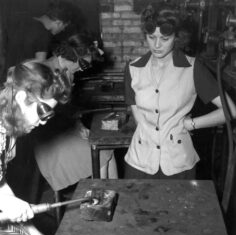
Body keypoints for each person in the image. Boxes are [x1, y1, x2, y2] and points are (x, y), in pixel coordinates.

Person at [0, 61, 87, 235]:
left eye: (50, 113)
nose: (45, 120)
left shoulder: (9, 131)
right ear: (20, 96)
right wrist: (7, 205)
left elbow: (1, 183)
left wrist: (34, 232)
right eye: (43, 111)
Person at [123, 2, 236, 179]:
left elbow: (230, 111)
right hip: (140, 162)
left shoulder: (193, 68)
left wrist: (190, 124)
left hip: (178, 163)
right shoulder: (133, 69)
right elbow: (138, 117)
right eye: (152, 37)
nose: (157, 45)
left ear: (177, 37)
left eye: (165, 39)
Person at [33, 35, 117, 193]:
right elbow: (45, 118)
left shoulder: (67, 71)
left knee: (106, 150)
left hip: (63, 131)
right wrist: (74, 128)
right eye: (83, 64)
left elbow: (66, 111)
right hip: (49, 141)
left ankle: (111, 198)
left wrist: (79, 127)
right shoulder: (45, 72)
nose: (82, 69)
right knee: (99, 155)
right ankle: (100, 200)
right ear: (70, 56)